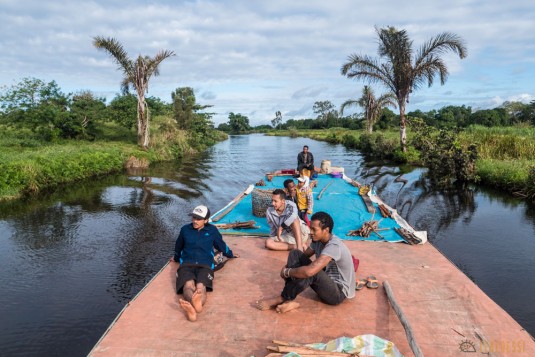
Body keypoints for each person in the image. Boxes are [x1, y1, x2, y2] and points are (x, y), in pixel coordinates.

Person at [256, 211, 356, 313]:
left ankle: (283, 298)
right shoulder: (318, 241)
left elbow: (309, 271)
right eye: (310, 228)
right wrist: (286, 267)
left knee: (312, 271)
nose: (310, 232)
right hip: (326, 284)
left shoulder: (334, 246)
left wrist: (288, 272)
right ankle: (288, 300)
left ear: (326, 230)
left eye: (314, 229)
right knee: (295, 254)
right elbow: (302, 257)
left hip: (337, 293)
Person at [171, 205, 239, 322]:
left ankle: (195, 306)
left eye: (198, 219)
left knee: (200, 286)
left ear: (206, 220)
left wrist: (230, 254)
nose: (194, 221)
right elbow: (178, 246)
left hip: (205, 264)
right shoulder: (185, 230)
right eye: (193, 218)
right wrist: (176, 258)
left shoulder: (212, 231)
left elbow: (221, 245)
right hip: (187, 264)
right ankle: (195, 308)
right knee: (188, 285)